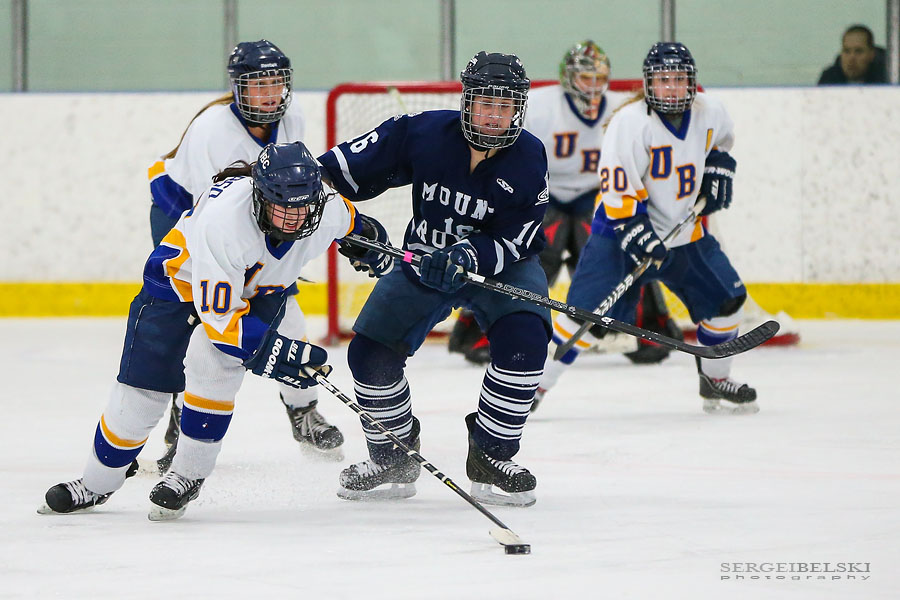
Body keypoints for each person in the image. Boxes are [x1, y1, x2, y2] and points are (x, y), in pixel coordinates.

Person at [39, 142, 393, 520]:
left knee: (215, 370)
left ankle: (186, 476)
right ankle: (95, 484)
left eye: (304, 206)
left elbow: (353, 222)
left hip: (258, 292)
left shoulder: (326, 209)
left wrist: (371, 241)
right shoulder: (226, 223)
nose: (295, 218)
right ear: (259, 198)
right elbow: (222, 322)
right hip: (179, 284)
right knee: (142, 396)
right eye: (283, 207)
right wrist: (276, 352)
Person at [317, 51, 551, 507]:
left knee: (526, 341)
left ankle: (491, 455)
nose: (493, 116)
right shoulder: (421, 132)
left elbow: (519, 236)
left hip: (504, 264)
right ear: (466, 101)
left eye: (504, 108)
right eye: (485, 103)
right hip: (425, 257)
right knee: (369, 352)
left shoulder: (529, 156)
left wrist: (468, 253)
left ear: (518, 110)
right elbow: (330, 173)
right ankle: (393, 457)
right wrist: (347, 226)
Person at [147, 39, 343, 465]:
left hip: (254, 217)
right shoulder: (213, 133)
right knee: (202, 321)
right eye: (258, 85)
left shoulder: (293, 116)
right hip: (183, 216)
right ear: (238, 89)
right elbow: (210, 221)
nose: (270, 94)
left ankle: (304, 412)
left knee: (286, 312)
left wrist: (279, 257)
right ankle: (181, 426)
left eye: (276, 83)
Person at [537, 42, 759, 416]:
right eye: (663, 80)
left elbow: (722, 142)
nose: (671, 88)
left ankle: (714, 380)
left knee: (727, 303)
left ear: (691, 83)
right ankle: (534, 389)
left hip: (685, 234)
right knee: (584, 321)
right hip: (619, 237)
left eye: (678, 80)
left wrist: (720, 164)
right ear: (649, 84)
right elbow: (617, 190)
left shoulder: (711, 111)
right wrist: (639, 235)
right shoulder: (630, 123)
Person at [449, 40, 680, 368]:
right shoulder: (541, 105)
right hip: (543, 194)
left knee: (616, 253)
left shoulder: (623, 109)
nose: (594, 85)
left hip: (597, 195)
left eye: (600, 77)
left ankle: (644, 330)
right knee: (524, 257)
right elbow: (506, 149)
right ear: (568, 76)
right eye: (586, 77)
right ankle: (481, 331)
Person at [818, 24, 887, 84]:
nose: (851, 58)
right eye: (846, 51)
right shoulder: (830, 78)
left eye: (858, 51)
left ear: (872, 54)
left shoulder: (886, 77)